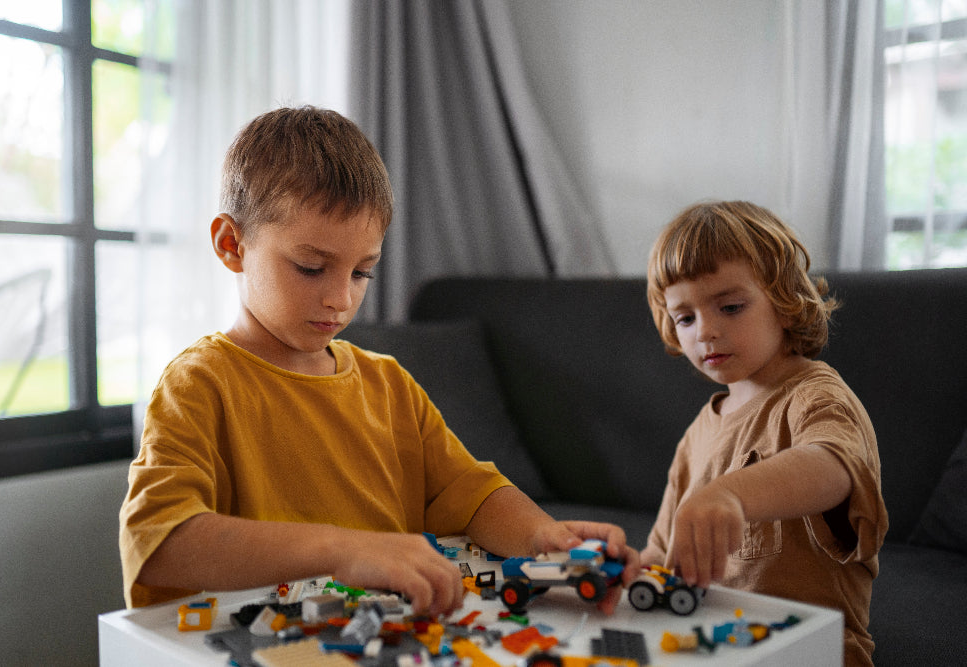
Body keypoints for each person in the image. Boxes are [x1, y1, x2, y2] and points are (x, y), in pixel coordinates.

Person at [119, 106, 637, 615]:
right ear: (232, 244)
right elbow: (161, 544)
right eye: (310, 267)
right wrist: (344, 550)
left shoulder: (388, 384)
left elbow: (470, 492)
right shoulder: (199, 384)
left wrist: (542, 537)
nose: (340, 298)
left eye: (362, 272)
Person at [640, 200, 887, 666]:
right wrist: (627, 572)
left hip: (812, 650)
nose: (706, 331)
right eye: (685, 318)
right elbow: (661, 548)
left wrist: (730, 494)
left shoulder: (816, 396)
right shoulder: (699, 432)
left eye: (730, 307)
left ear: (785, 301)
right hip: (712, 645)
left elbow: (834, 468)